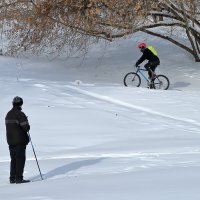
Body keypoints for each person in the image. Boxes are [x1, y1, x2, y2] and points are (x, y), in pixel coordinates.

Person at [5, 96, 30, 184]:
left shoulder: (8, 114)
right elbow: (26, 128)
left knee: (14, 159)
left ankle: (12, 178)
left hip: (10, 140)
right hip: (20, 140)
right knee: (20, 159)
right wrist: (27, 122)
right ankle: (19, 178)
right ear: (21, 104)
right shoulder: (20, 114)